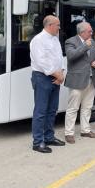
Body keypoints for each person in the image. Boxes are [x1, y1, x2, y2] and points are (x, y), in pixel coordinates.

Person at [30, 15, 65, 153]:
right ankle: (38, 142)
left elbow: (59, 58)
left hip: (56, 77)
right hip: (42, 78)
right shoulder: (38, 40)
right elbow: (41, 61)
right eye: (58, 25)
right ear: (50, 25)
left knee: (52, 110)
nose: (59, 27)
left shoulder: (55, 39)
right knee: (40, 111)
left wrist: (61, 73)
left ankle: (49, 137)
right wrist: (58, 75)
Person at [64, 22, 95, 144]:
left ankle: (85, 130)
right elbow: (71, 56)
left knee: (87, 107)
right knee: (73, 108)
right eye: (90, 31)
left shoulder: (93, 42)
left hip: (91, 79)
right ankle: (69, 133)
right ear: (82, 32)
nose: (92, 33)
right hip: (77, 80)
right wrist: (85, 46)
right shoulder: (71, 41)